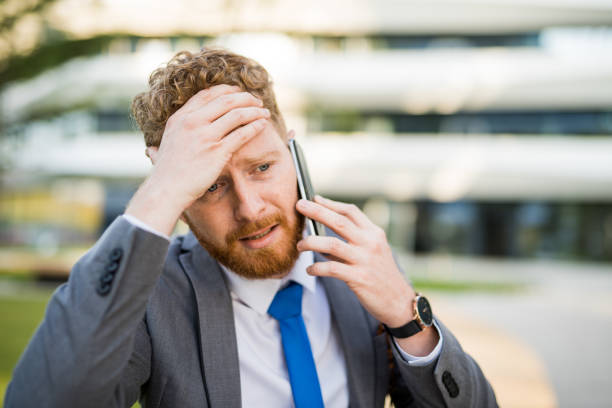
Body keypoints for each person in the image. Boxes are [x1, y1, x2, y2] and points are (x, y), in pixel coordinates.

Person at [5, 48, 497, 408]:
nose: (249, 207)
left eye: (263, 167)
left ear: (293, 152)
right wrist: (160, 191)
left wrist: (408, 319)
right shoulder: (154, 299)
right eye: (210, 186)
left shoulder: (361, 265)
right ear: (178, 197)